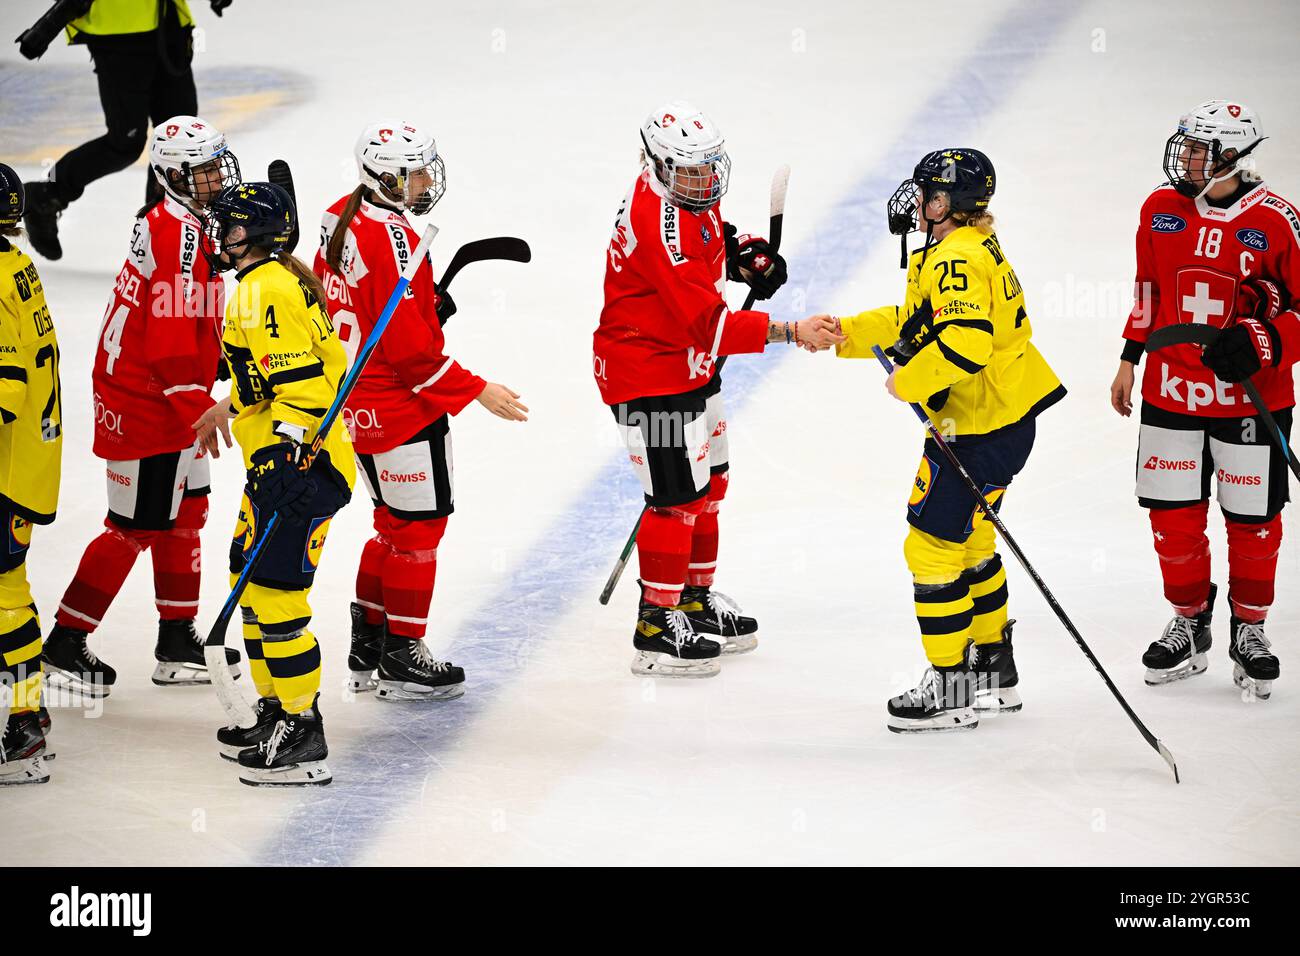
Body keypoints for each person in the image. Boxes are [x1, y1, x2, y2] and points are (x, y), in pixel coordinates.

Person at [806, 148, 1065, 732]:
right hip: (1002, 421)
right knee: (969, 544)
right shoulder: (961, 248)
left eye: (926, 192)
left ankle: (951, 688)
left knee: (928, 549)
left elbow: (965, 345)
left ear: (945, 203)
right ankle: (992, 671)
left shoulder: (956, 260)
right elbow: (918, 321)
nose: (916, 201)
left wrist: (908, 381)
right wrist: (846, 334)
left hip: (977, 431)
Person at [594, 100, 839, 680]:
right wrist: (790, 332)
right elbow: (711, 324)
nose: (704, 180)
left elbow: (710, 236)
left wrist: (745, 252)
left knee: (709, 486)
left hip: (688, 367)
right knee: (676, 498)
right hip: (646, 372)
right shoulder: (660, 222)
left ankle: (692, 601)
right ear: (655, 165)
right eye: (689, 170)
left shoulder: (686, 190)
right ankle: (656, 622)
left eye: (709, 168)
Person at [314, 120, 528, 703]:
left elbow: (354, 301)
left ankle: (369, 643)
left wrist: (420, 307)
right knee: (418, 533)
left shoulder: (340, 213)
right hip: (399, 408)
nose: (426, 180)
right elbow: (413, 356)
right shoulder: (396, 238)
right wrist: (477, 388)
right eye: (414, 173)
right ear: (383, 176)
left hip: (351, 402)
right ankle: (403, 655)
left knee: (391, 527)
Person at [42, 116, 241, 699]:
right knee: (133, 526)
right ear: (173, 175)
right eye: (202, 170)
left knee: (185, 515)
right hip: (145, 399)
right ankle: (63, 641)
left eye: (215, 164)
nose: (215, 177)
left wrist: (215, 363)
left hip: (169, 392)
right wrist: (195, 404)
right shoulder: (176, 234)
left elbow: (191, 313)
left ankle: (177, 640)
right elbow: (169, 339)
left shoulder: (188, 221)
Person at [1109, 100, 1298, 701]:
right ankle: (1190, 621)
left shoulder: (1278, 220)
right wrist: (1129, 357)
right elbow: (1148, 286)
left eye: (1202, 150)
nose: (1188, 158)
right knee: (1172, 519)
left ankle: (1251, 628)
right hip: (1171, 390)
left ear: (1236, 157)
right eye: (1187, 146)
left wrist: (1264, 339)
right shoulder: (1160, 209)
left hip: (1250, 400)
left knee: (1253, 522)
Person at [193, 181, 352, 786]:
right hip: (276, 465)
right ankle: (273, 710)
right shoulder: (264, 284)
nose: (220, 236)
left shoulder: (265, 289)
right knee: (247, 578)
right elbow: (266, 379)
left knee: (279, 595)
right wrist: (231, 406)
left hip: (303, 469)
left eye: (230, 228)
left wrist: (285, 454)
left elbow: (308, 388)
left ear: (253, 236)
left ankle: (301, 727)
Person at [15, 0, 233, 260]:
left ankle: (166, 236)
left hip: (169, 23)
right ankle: (46, 195)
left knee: (181, 140)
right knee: (125, 142)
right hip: (116, 34)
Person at [0, 164, 63, 784]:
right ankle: (28, 713)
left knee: (4, 596)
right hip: (29, 463)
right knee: (8, 590)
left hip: (8, 467)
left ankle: (24, 727)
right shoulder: (16, 264)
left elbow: (7, 386)